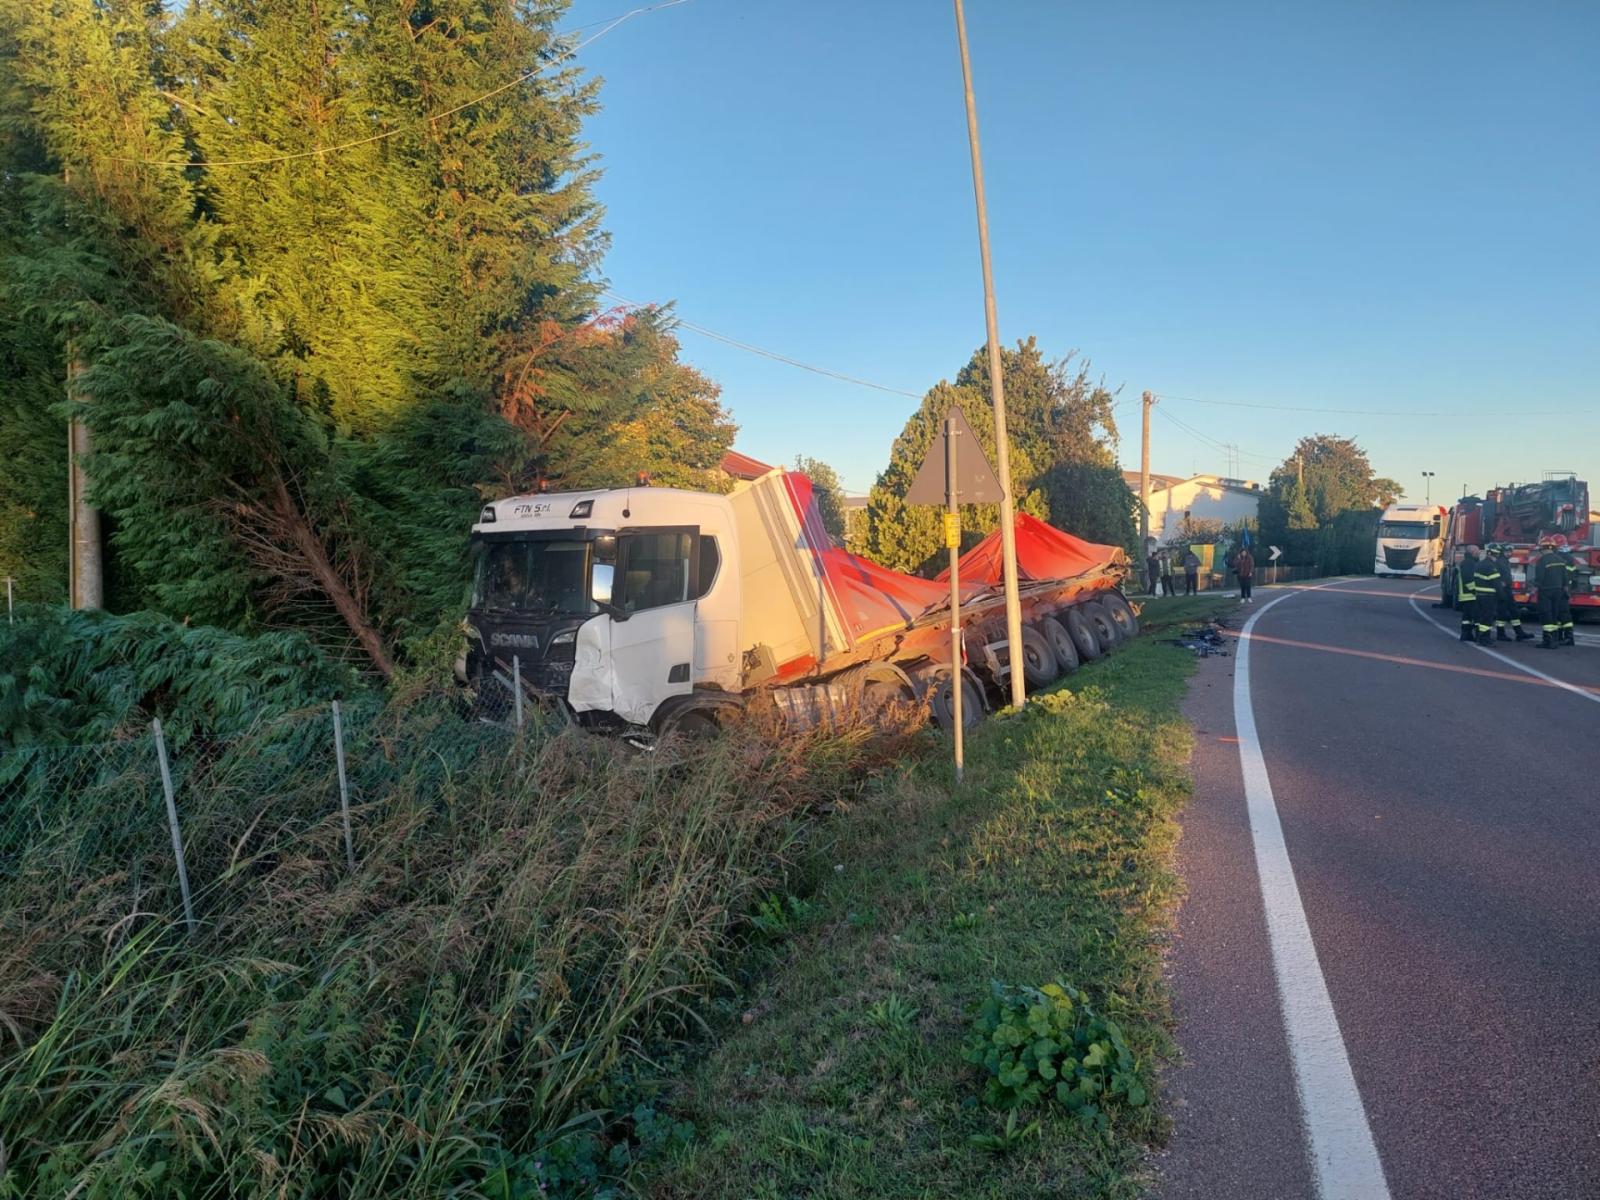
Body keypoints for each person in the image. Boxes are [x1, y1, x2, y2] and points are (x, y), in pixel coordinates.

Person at [1534, 535, 1573, 649]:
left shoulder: (1542, 560)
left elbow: (1540, 577)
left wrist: (1535, 587)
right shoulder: (1560, 559)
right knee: (1555, 614)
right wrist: (1565, 587)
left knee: (1546, 614)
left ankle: (1548, 640)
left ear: (1543, 548)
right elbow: (1565, 576)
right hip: (1559, 591)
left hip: (1546, 591)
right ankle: (1555, 639)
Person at [1487, 544, 1531, 642]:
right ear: (1503, 552)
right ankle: (1501, 633)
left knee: (1514, 611)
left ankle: (1519, 633)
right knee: (1502, 612)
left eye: (1511, 551)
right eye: (1507, 551)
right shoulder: (1500, 561)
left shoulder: (1504, 561)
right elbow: (1499, 576)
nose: (1509, 553)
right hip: (1503, 590)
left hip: (1507, 589)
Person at [1471, 545, 1501, 646]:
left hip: (1479, 595)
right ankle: (1484, 638)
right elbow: (1496, 583)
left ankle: (1480, 637)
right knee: (1487, 618)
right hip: (1489, 596)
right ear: (1491, 554)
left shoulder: (1479, 564)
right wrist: (1502, 596)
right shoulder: (1491, 566)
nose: (1496, 557)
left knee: (1481, 617)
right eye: (1495, 555)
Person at [1455, 545, 1480, 641]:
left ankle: (1466, 634)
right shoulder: (1469, 563)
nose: (1478, 554)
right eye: (1477, 552)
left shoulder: (1468, 562)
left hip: (1466, 595)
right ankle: (1475, 635)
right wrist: (1475, 591)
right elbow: (1468, 579)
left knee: (1467, 617)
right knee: (1476, 616)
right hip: (1470, 595)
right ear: (1472, 552)